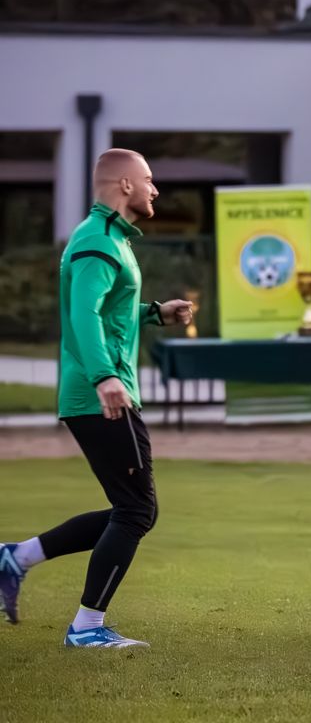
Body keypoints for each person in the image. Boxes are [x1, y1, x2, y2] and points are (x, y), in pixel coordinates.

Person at [0, 149, 193, 648]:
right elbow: (82, 314)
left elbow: (109, 311)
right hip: (101, 394)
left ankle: (16, 558)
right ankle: (86, 628)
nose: (155, 189)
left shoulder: (111, 239)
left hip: (101, 391)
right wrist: (105, 376)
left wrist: (155, 312)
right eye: (148, 179)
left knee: (134, 509)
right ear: (125, 185)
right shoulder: (97, 239)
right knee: (136, 511)